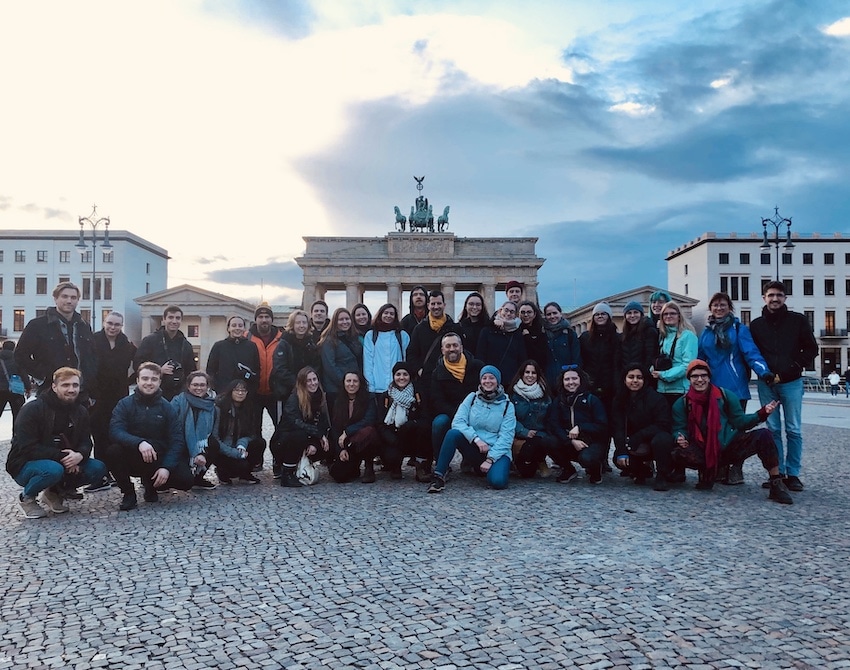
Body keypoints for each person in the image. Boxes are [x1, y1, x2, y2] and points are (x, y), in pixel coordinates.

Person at [671, 360, 793, 505]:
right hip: (701, 449)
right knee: (675, 452)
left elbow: (740, 422)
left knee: (764, 435)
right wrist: (679, 436)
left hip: (727, 445)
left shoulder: (724, 396)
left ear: (709, 377)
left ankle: (776, 483)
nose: (700, 380)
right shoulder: (682, 403)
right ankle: (707, 472)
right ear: (689, 379)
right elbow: (679, 427)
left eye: (704, 375)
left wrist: (761, 413)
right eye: (695, 376)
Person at [6, 367, 108, 518]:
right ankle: (27, 497)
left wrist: (79, 455)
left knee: (98, 469)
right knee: (53, 470)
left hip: (64, 460)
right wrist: (63, 457)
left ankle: (53, 492)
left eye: (75, 385)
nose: (71, 389)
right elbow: (26, 446)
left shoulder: (81, 411)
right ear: (54, 387)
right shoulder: (33, 409)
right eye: (65, 385)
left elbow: (86, 441)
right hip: (26, 463)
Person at [749, 281, 818, 492]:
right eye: (771, 295)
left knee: (794, 429)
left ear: (785, 298)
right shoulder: (757, 325)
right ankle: (776, 473)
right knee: (773, 430)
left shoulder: (797, 321)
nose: (775, 299)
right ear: (764, 298)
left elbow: (811, 349)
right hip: (767, 383)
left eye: (779, 295)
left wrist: (793, 367)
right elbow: (753, 353)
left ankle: (793, 473)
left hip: (791, 382)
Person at [106, 362, 194, 511]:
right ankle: (128, 493)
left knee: (186, 480)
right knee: (113, 452)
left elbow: (177, 439)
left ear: (159, 382)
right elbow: (115, 431)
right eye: (145, 378)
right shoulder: (124, 404)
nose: (149, 383)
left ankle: (151, 484)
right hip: (133, 453)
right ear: (138, 380)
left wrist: (166, 467)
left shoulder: (167, 407)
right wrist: (139, 443)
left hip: (158, 456)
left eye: (154, 379)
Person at [428, 365, 516, 493]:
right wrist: (476, 439)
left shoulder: (507, 405)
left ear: (498, 381)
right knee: (453, 434)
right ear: (480, 380)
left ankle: (497, 467)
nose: (488, 381)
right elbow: (458, 422)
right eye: (484, 378)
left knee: (498, 482)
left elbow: (506, 437)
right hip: (476, 446)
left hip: (497, 450)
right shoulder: (472, 398)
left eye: (492, 378)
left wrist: (490, 459)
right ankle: (439, 475)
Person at [15, 281, 97, 400]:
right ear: (55, 298)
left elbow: (92, 357)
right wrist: (42, 376)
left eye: (73, 297)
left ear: (78, 300)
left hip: (80, 393)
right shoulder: (37, 325)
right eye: (64, 296)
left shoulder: (84, 326)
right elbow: (20, 356)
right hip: (49, 391)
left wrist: (89, 380)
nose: (69, 301)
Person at [697, 292, 771, 413]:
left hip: (735, 386)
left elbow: (751, 353)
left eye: (723, 305)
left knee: (736, 428)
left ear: (729, 307)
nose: (719, 308)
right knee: (715, 428)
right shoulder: (707, 332)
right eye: (715, 305)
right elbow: (699, 360)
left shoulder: (739, 329)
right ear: (710, 308)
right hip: (712, 386)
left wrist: (764, 371)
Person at [88, 311, 137, 491]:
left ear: (121, 326)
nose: (113, 327)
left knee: (116, 435)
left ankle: (118, 472)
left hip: (118, 397)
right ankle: (101, 476)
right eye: (110, 323)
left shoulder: (127, 345)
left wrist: (129, 381)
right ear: (104, 322)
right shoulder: (93, 341)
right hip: (98, 397)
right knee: (99, 436)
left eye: (117, 324)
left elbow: (140, 364)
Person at [611, 363, 674, 491]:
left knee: (663, 439)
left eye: (639, 377)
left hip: (654, 439)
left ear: (645, 380)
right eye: (631, 377)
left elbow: (663, 424)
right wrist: (621, 449)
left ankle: (662, 475)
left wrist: (640, 436)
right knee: (619, 459)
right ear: (624, 379)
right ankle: (641, 471)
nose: (635, 381)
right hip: (633, 443)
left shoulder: (656, 398)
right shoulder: (619, 399)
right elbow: (618, 427)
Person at [429, 332, 485, 474]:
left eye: (455, 345)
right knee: (439, 423)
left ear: (461, 347)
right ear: (442, 350)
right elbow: (437, 401)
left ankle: (472, 458)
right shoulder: (437, 373)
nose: (452, 349)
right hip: (450, 413)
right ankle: (441, 462)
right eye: (448, 346)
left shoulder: (477, 366)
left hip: (475, 412)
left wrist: (470, 413)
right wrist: (459, 415)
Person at [548, 366, 607, 484]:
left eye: (574, 378)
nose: (571, 382)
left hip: (591, 441)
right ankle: (568, 469)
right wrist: (569, 440)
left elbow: (602, 425)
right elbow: (554, 424)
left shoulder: (592, 399)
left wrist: (581, 427)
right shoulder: (559, 401)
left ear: (581, 380)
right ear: (562, 381)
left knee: (587, 458)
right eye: (567, 379)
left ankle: (595, 469)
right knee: (548, 441)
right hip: (569, 441)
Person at [274, 366, 331, 487]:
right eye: (309, 380)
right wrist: (318, 436)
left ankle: (303, 464)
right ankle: (287, 473)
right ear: (302, 383)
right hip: (284, 441)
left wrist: (315, 443)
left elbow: (322, 424)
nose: (313, 383)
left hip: (308, 437)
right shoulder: (294, 398)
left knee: (327, 443)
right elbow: (296, 423)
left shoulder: (320, 397)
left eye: (315, 379)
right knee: (299, 435)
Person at [377, 361, 430, 480]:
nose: (401, 377)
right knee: (391, 457)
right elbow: (380, 424)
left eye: (405, 374)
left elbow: (426, 418)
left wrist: (412, 424)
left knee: (425, 431)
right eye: (398, 374)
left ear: (410, 376)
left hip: (412, 434)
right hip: (393, 437)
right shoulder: (386, 396)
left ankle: (421, 466)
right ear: (393, 376)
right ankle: (395, 466)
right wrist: (392, 439)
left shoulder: (418, 394)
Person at [407, 290, 463, 399]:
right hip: (427, 380)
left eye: (439, 303)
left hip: (450, 379)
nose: (436, 307)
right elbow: (411, 353)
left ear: (444, 305)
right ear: (428, 305)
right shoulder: (419, 329)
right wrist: (419, 370)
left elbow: (462, 351)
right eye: (433, 304)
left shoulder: (454, 327)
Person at [134, 305, 197, 401]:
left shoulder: (186, 345)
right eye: (170, 317)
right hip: (153, 392)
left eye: (178, 318)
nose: (174, 321)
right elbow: (137, 365)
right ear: (164, 319)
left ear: (181, 320)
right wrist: (159, 370)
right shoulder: (150, 340)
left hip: (179, 394)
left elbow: (191, 370)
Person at [247, 302, 283, 467]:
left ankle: (279, 458)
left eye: (267, 316)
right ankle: (256, 461)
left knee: (280, 427)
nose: (264, 320)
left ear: (271, 319)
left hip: (275, 392)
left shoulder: (282, 337)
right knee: (254, 429)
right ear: (256, 320)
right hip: (254, 392)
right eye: (260, 317)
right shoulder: (247, 337)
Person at [509, 360, 558, 479]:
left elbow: (550, 419)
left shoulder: (546, 395)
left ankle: (539, 460)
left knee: (541, 443)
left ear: (538, 375)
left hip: (539, 436)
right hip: (518, 435)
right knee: (526, 473)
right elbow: (508, 418)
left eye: (533, 373)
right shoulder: (513, 394)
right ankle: (519, 461)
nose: (530, 375)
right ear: (522, 374)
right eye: (527, 372)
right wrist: (524, 431)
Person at [328, 371, 380, 484]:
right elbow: (335, 427)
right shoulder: (338, 400)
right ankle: (353, 466)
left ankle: (368, 466)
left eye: (355, 381)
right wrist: (341, 450)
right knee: (338, 475)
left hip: (363, 440)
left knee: (369, 432)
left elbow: (369, 420)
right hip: (346, 444)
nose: (351, 384)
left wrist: (347, 432)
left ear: (360, 383)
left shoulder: (369, 398)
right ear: (344, 383)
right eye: (348, 381)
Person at [170, 371, 218, 490]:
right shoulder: (177, 402)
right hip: (179, 443)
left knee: (214, 444)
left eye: (202, 385)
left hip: (201, 443)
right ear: (188, 386)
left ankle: (198, 477)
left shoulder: (212, 405)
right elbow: (170, 427)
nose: (199, 388)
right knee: (185, 481)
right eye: (195, 385)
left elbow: (212, 433)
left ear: (207, 387)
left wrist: (202, 453)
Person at [209, 379, 262, 484]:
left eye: (243, 390)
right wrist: (233, 452)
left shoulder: (249, 408)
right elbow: (215, 437)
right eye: (237, 390)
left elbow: (252, 433)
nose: (240, 393)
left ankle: (245, 474)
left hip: (238, 444)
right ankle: (222, 472)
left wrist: (242, 444)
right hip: (223, 447)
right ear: (231, 391)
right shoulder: (220, 408)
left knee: (259, 443)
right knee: (236, 467)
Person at [270, 309, 321, 408]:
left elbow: (316, 365)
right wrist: (299, 384)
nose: (301, 326)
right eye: (298, 323)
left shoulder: (311, 343)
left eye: (304, 323)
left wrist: (309, 383)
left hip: (308, 391)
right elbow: (280, 369)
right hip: (288, 392)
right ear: (292, 325)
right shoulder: (283, 344)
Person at [652, 301, 698, 408]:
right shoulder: (663, 336)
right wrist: (653, 369)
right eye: (665, 314)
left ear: (679, 316)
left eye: (672, 313)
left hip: (680, 390)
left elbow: (688, 365)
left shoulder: (688, 336)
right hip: (662, 389)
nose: (669, 316)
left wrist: (664, 375)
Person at [319, 307, 364, 409]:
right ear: (335, 321)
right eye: (341, 319)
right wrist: (345, 384)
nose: (345, 322)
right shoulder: (329, 340)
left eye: (347, 319)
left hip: (353, 387)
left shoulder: (355, 338)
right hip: (336, 389)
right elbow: (330, 366)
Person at [205, 315, 260, 394]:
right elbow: (210, 370)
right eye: (233, 325)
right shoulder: (219, 346)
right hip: (223, 391)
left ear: (244, 329)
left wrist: (252, 387)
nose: (237, 328)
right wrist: (216, 387)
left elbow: (256, 370)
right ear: (228, 328)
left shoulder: (252, 346)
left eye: (240, 326)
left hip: (246, 393)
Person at [476, 301, 527, 384]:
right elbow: (480, 355)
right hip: (490, 380)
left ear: (515, 315)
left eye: (512, 312)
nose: (508, 314)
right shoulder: (487, 330)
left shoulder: (518, 333)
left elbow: (521, 358)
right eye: (506, 310)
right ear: (500, 311)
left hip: (511, 380)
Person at [363, 303, 409, 395]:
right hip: (377, 387)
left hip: (398, 387)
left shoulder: (402, 335)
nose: (388, 316)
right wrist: (371, 386)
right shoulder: (371, 335)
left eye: (392, 314)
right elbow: (368, 362)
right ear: (380, 314)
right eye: (386, 313)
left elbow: (406, 360)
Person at [542, 301, 580, 389]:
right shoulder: (542, 334)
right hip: (547, 381)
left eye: (555, 313)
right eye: (549, 314)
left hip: (566, 381)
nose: (552, 316)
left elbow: (576, 358)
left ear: (560, 313)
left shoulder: (570, 334)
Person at [619, 301, 658, 376]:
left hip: (642, 377)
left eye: (635, 312)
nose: (632, 315)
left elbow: (650, 356)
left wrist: (642, 375)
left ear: (641, 314)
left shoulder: (649, 332)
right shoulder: (622, 336)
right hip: (626, 378)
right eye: (629, 313)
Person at [0, 340, 30, 429]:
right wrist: (28, 387)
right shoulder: (17, 359)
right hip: (15, 390)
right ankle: (16, 438)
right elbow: (23, 374)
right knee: (18, 416)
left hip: (0, 390)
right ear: (14, 348)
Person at [517, 301, 550, 372]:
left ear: (534, 314)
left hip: (536, 371)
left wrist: (527, 337)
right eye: (522, 312)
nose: (526, 315)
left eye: (529, 312)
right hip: (517, 370)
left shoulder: (541, 331)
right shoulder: (514, 331)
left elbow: (541, 355)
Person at [457, 291, 489, 357]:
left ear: (482, 307)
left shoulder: (489, 327)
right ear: (465, 306)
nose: (474, 307)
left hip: (484, 365)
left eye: (478, 305)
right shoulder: (458, 327)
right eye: (471, 304)